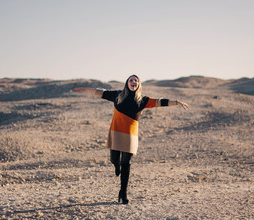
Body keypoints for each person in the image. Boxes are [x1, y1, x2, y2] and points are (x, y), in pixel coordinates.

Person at [75, 75, 189, 204]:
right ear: (127, 83)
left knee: (126, 163)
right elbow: (100, 92)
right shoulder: (118, 95)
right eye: (131, 80)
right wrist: (85, 89)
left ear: (139, 84)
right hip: (116, 132)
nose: (133, 82)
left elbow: (160, 102)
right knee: (114, 159)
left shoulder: (143, 100)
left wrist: (177, 102)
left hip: (131, 135)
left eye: (136, 80)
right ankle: (115, 165)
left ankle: (123, 193)